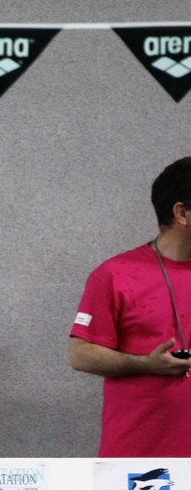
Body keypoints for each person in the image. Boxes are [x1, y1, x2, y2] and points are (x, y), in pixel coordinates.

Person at [70, 156, 191, 456]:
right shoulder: (115, 275)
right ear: (181, 213)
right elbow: (81, 355)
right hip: (137, 462)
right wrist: (146, 364)